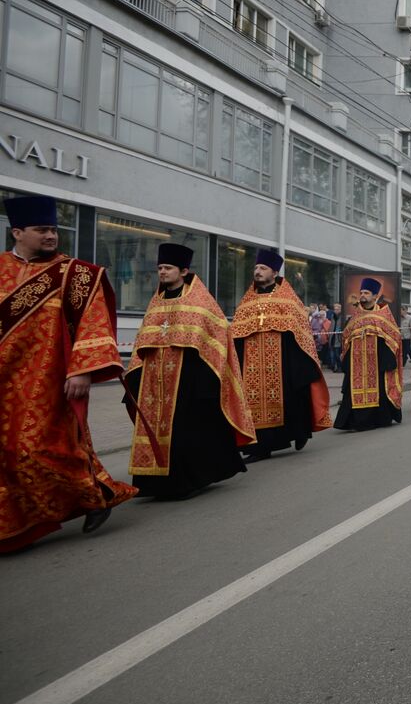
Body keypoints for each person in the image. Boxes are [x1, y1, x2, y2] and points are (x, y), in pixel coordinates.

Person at [1, 195, 137, 551]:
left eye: (53, 229)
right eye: (41, 229)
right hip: (4, 378)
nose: (50, 236)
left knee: (38, 450)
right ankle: (18, 522)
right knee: (6, 455)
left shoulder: (74, 274)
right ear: (17, 232)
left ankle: (95, 495)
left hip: (48, 379)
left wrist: (82, 370)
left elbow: (93, 321)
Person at [126, 243, 257, 498]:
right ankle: (154, 483)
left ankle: (186, 482)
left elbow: (218, 337)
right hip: (155, 380)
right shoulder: (156, 302)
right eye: (160, 268)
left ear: (183, 271)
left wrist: (205, 382)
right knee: (155, 429)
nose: (162, 272)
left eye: (168, 268)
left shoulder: (201, 300)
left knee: (186, 432)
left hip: (188, 379)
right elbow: (144, 340)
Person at [229, 248, 332, 462]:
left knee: (292, 400)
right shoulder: (247, 301)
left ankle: (300, 433)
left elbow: (300, 332)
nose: (257, 271)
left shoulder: (288, 299)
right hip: (251, 365)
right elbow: (237, 333)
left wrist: (297, 364)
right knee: (252, 402)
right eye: (256, 267)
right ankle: (259, 447)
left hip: (283, 362)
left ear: (274, 273)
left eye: (263, 268)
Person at [333, 278, 402, 431]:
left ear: (375, 296)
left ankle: (378, 419)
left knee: (379, 390)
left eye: (366, 293)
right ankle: (354, 421)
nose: (363, 295)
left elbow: (393, 337)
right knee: (353, 391)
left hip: (376, 363)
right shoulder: (356, 316)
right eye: (361, 292)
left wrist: (387, 361)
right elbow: (346, 338)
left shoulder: (383, 315)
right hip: (357, 364)